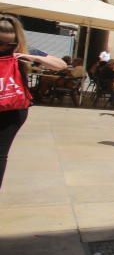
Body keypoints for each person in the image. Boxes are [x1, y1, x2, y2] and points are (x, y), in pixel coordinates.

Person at [0, 14, 66, 189]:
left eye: (9, 44)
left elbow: (61, 65)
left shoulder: (22, 52)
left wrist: (33, 58)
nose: (4, 47)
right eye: (0, 43)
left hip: (13, 109)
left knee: (0, 153)